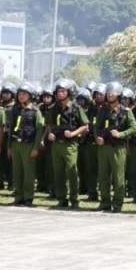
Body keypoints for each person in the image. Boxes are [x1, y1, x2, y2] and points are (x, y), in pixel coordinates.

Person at [47, 78, 89, 209]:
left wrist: (73, 133)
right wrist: (50, 134)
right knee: (58, 173)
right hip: (56, 145)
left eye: (63, 91)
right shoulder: (54, 109)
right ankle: (62, 198)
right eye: (58, 91)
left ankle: (74, 199)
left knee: (72, 172)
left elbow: (85, 126)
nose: (60, 94)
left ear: (69, 92)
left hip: (70, 145)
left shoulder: (76, 108)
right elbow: (49, 124)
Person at [93, 81, 134, 212]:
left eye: (113, 92)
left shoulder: (125, 111)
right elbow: (96, 127)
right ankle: (104, 202)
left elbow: (133, 127)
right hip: (103, 148)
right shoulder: (102, 110)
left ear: (118, 95)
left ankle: (117, 204)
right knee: (103, 176)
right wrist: (97, 137)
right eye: (109, 92)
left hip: (118, 148)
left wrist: (121, 134)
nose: (110, 94)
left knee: (118, 177)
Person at [6, 81, 44, 207]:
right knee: (16, 173)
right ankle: (18, 196)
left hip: (28, 145)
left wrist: (36, 148)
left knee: (28, 173)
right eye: (19, 94)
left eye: (24, 94)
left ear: (30, 96)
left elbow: (39, 131)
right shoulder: (14, 110)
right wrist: (9, 146)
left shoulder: (35, 111)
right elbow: (10, 129)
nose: (21, 96)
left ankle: (28, 197)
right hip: (15, 144)